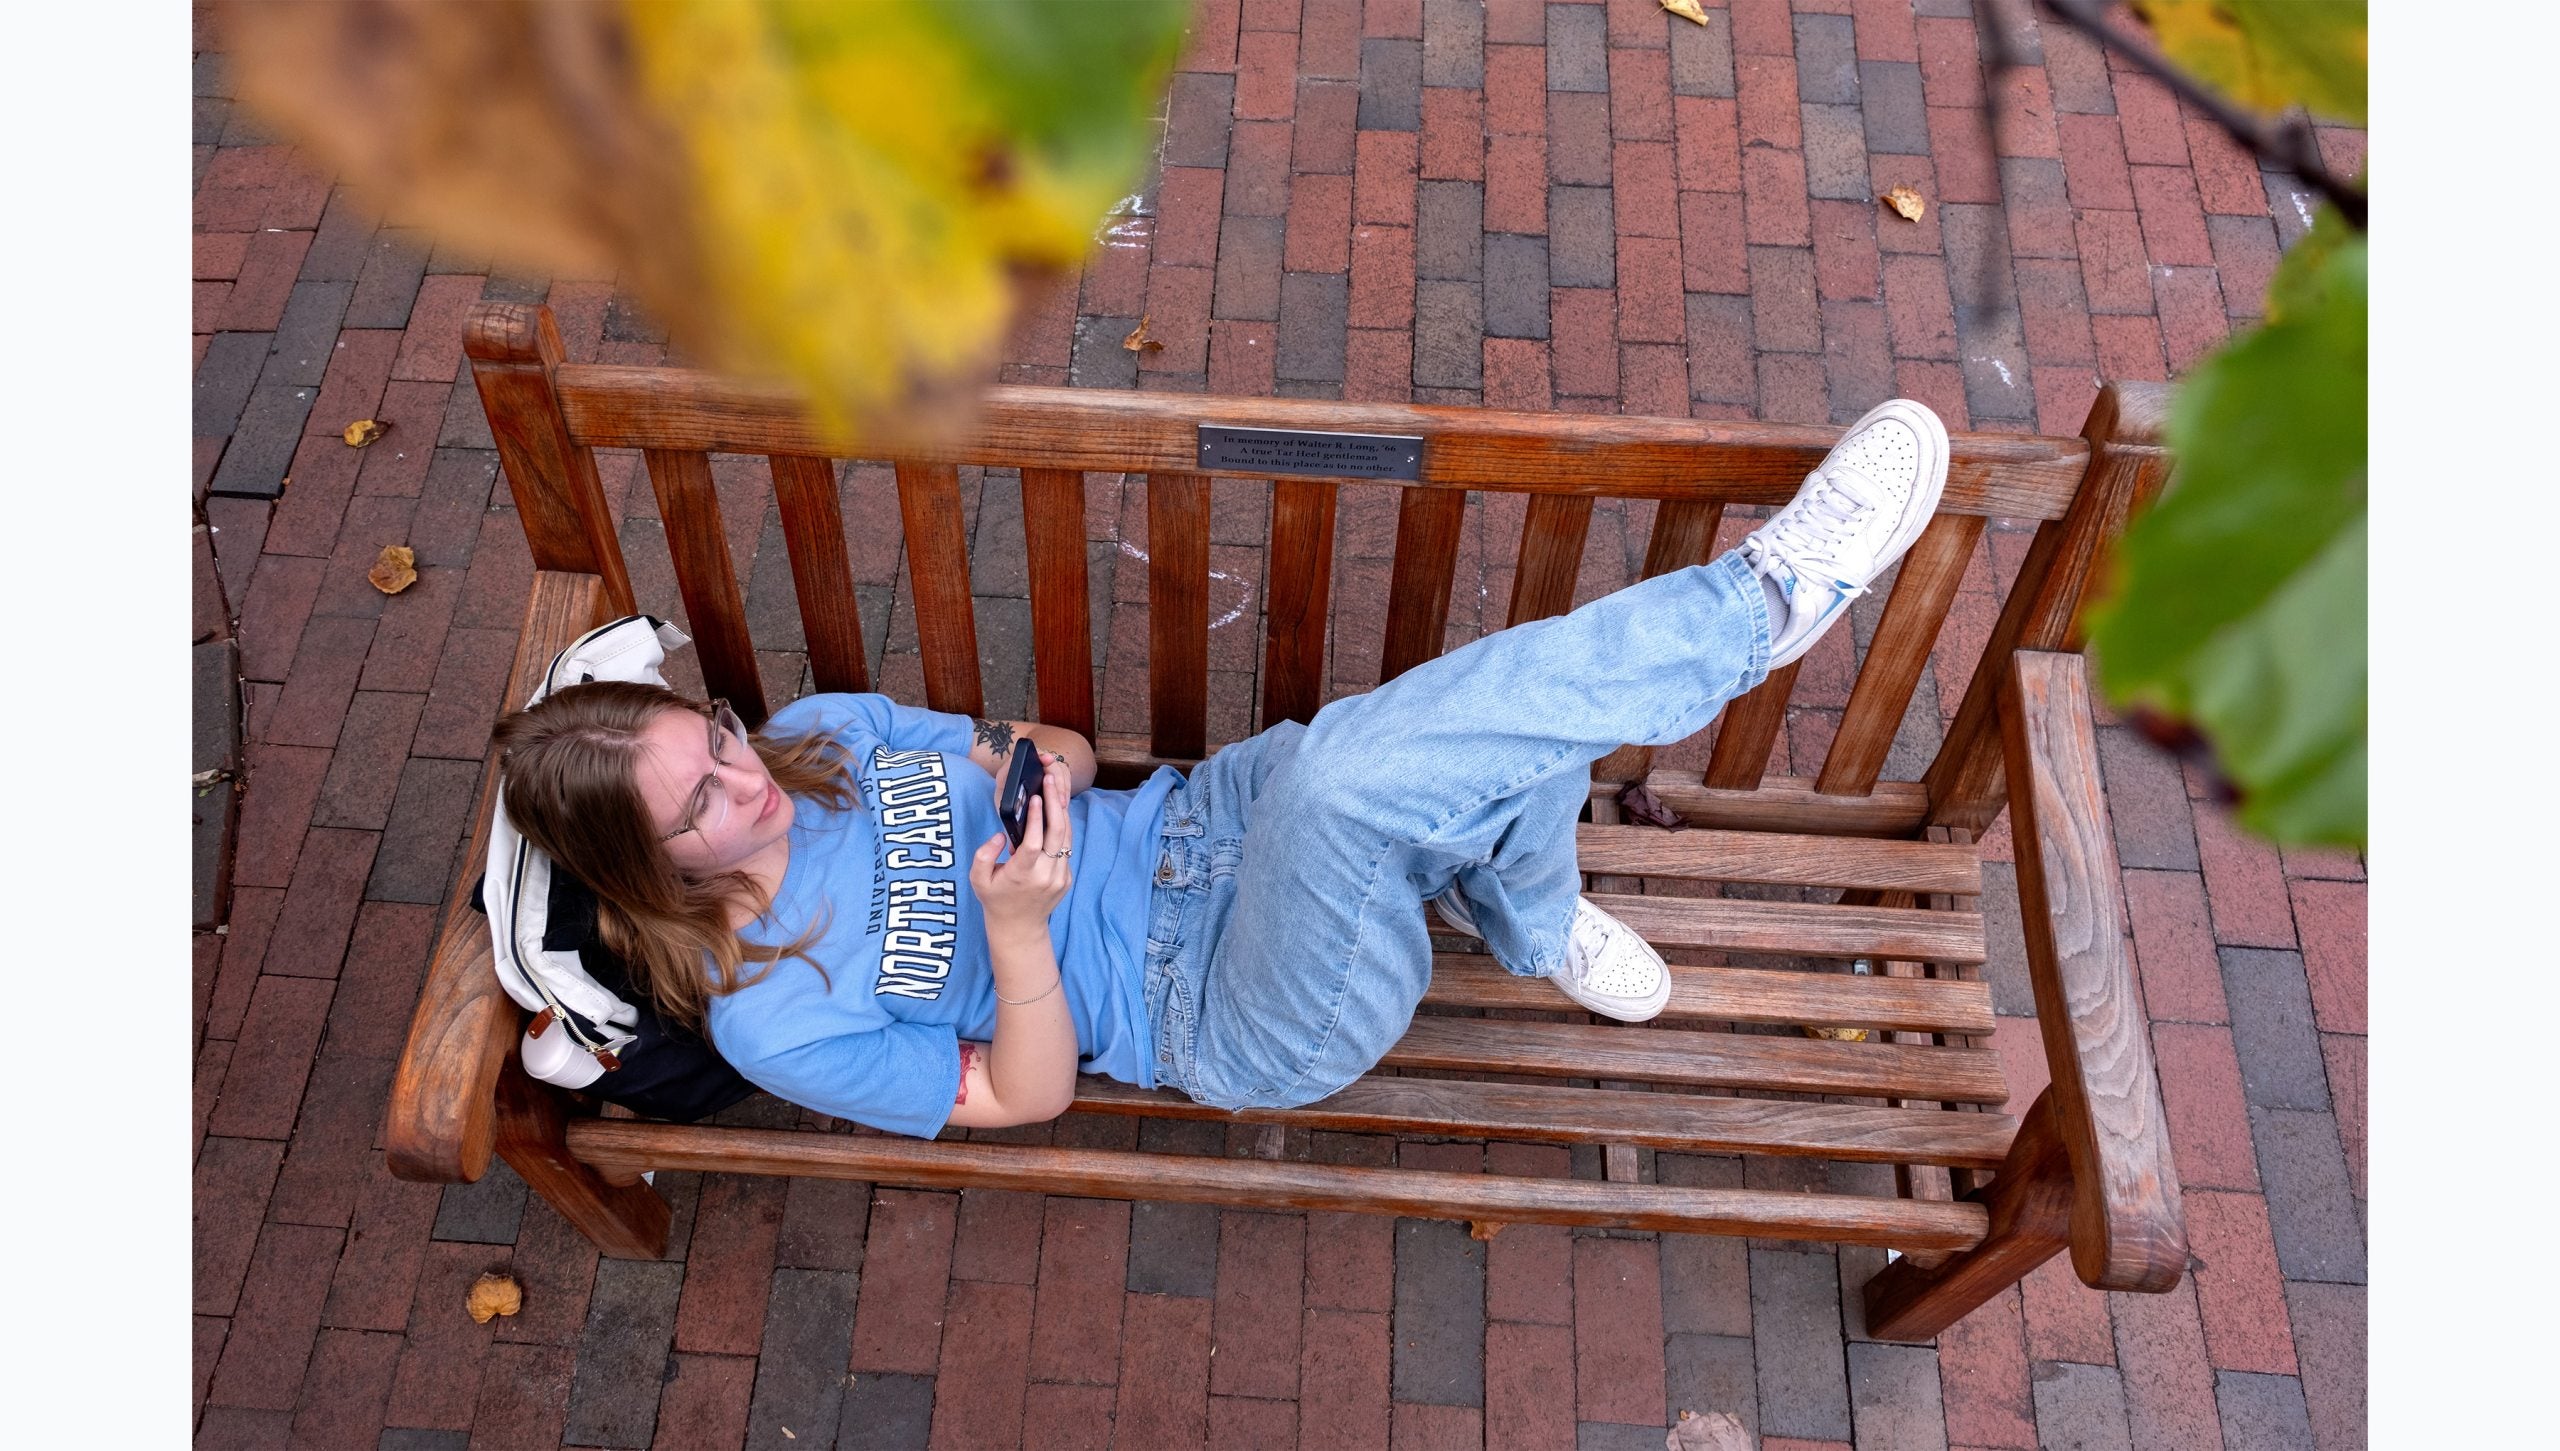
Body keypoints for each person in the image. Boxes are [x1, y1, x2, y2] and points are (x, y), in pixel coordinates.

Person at [490, 400, 1952, 1138]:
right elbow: (1026, 1097)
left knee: (1408, 757)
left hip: (1203, 821)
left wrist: (1038, 772)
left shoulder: (830, 742)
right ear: (652, 869)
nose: (744, 780)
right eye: (701, 803)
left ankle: (1521, 908)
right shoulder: (771, 1021)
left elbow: (1042, 747)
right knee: (1362, 781)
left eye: (718, 740)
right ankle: (1767, 603)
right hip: (1219, 1010)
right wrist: (1013, 936)